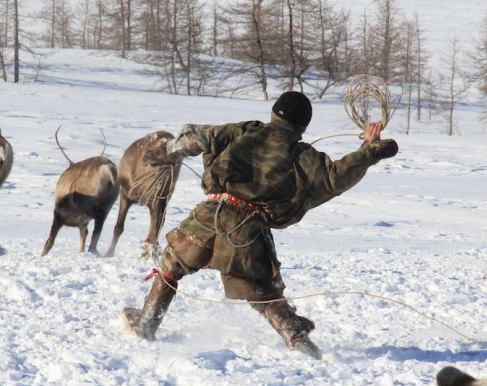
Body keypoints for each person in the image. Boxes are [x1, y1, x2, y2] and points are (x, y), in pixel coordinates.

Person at [122, 91, 398, 359]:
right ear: (302, 127)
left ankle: (147, 321)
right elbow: (337, 176)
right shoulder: (303, 155)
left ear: (273, 113)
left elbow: (200, 136)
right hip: (248, 231)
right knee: (264, 294)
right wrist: (369, 150)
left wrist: (167, 151)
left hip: (209, 214)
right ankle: (297, 339)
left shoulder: (245, 131)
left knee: (172, 263)